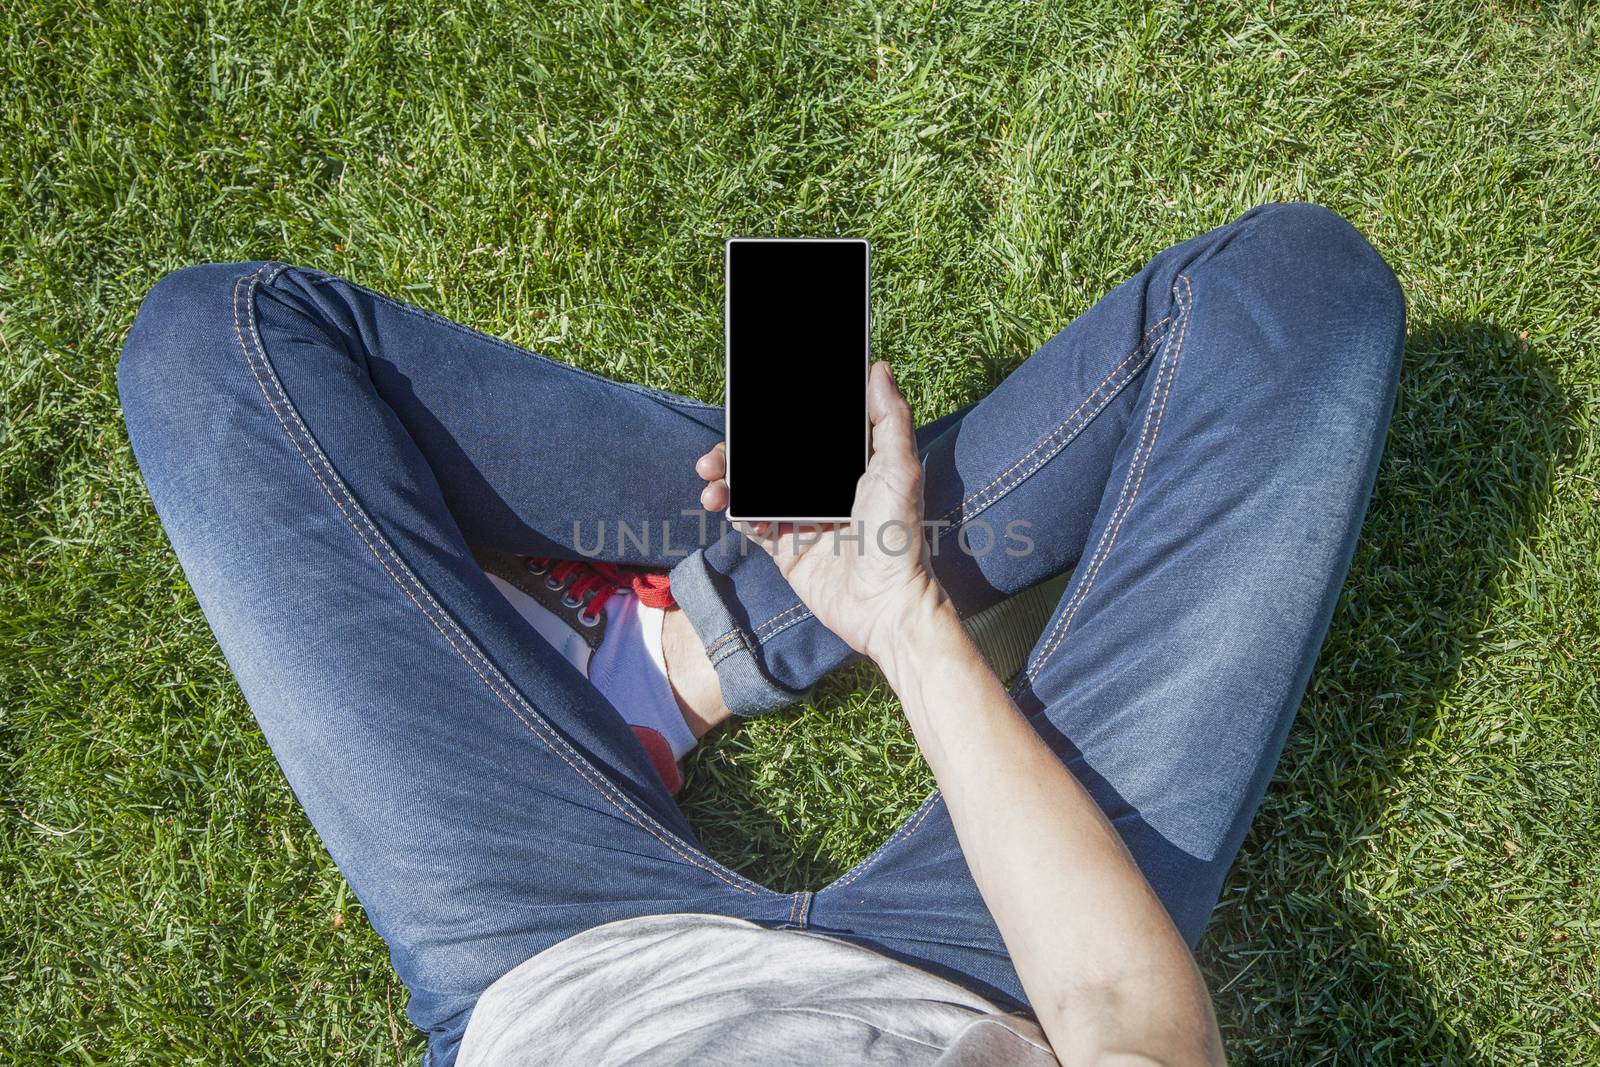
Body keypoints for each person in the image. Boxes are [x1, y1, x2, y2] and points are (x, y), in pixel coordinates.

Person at [117, 202, 1404, 1066]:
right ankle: (734, 614)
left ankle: (692, 638)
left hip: (556, 958)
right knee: (1289, 295)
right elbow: (1126, 1018)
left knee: (216, 346)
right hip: (1005, 957)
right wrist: (897, 617)